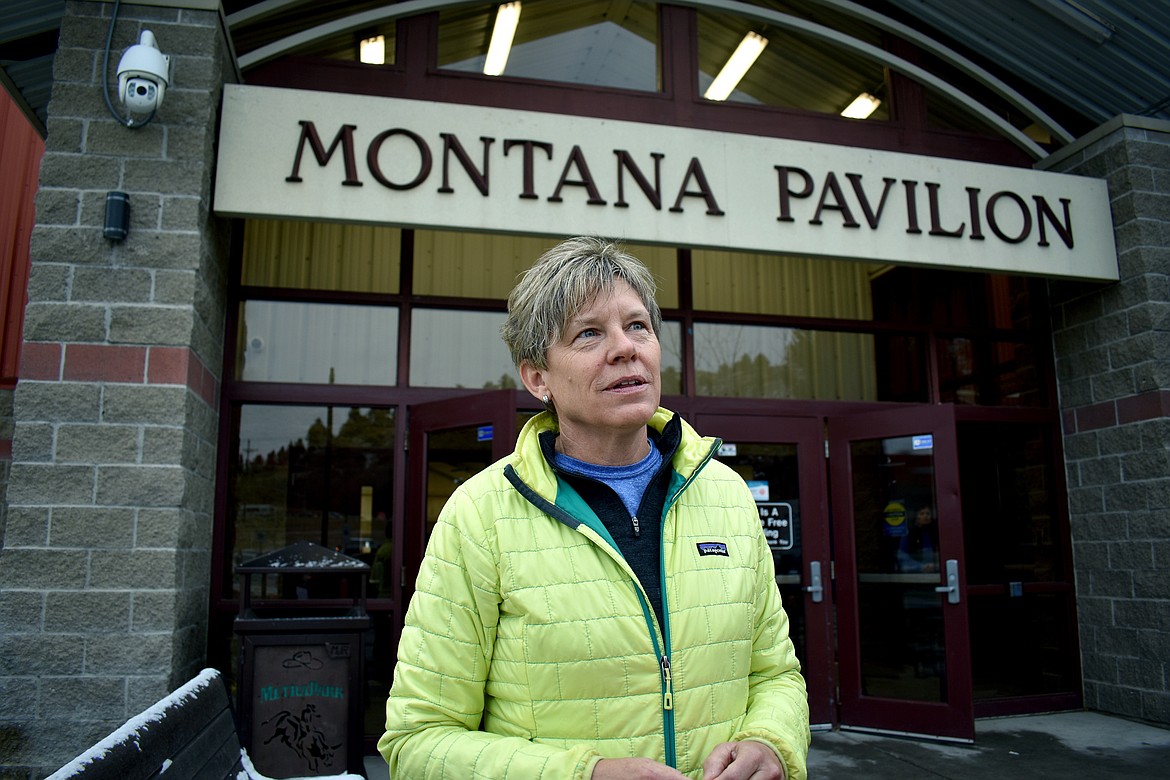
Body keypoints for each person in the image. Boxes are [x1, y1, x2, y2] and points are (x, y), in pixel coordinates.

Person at [379, 237, 810, 779]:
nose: (626, 348)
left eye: (638, 327)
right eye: (589, 333)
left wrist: (772, 742)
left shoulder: (726, 495)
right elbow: (418, 742)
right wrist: (584, 774)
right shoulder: (480, 516)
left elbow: (776, 676)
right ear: (538, 378)